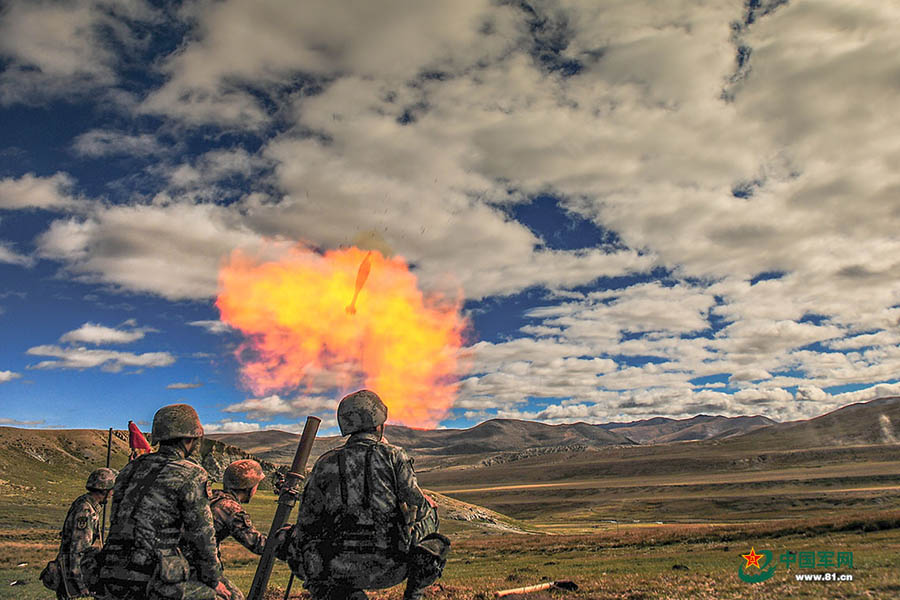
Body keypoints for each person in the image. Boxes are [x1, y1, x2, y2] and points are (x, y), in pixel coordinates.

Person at [284, 389, 450, 600]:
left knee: (287, 536)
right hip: (390, 566)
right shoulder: (393, 455)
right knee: (431, 515)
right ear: (379, 423)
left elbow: (307, 522)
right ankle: (414, 593)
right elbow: (417, 503)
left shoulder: (325, 462)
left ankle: (330, 592)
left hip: (336, 568)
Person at [99, 404, 231, 600]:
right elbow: (202, 534)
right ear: (190, 438)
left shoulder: (129, 469)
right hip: (153, 577)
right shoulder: (191, 473)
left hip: (110, 572)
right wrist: (213, 579)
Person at [184, 459, 267, 600]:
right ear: (250, 487)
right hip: (197, 569)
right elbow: (257, 544)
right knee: (235, 597)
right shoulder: (230, 508)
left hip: (180, 563)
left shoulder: (213, 497)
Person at [51, 468, 115, 598]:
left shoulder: (88, 505)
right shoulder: (85, 511)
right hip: (71, 579)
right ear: (105, 489)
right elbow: (78, 550)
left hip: (72, 575)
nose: (112, 493)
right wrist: (81, 585)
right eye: (111, 489)